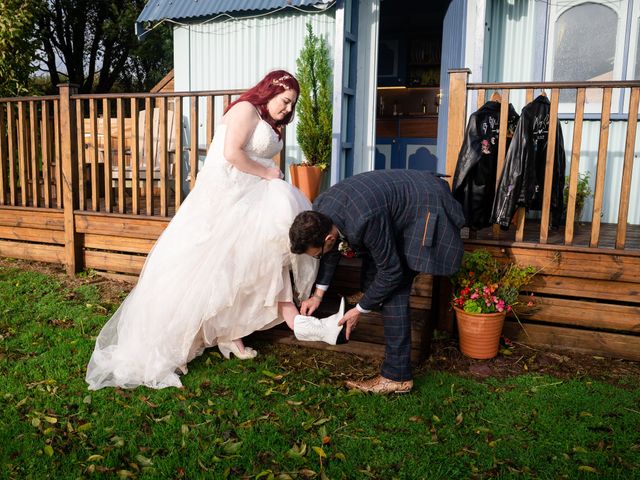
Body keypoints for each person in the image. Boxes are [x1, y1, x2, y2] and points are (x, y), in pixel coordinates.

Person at [86, 71, 343, 390]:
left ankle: (236, 332)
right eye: (285, 102)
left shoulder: (270, 120)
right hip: (225, 196)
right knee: (208, 266)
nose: (288, 110)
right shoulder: (245, 110)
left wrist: (267, 178)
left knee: (254, 259)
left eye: (292, 105)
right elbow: (232, 154)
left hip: (252, 194)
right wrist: (267, 173)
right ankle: (192, 333)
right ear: (270, 91)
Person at [289, 170, 465, 394]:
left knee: (395, 291)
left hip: (426, 206)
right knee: (380, 273)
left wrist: (360, 310)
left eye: (316, 255)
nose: (318, 258)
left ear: (328, 238)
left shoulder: (364, 219)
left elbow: (391, 272)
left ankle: (396, 376)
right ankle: (375, 304)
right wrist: (318, 295)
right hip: (397, 199)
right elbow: (330, 253)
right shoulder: (321, 209)